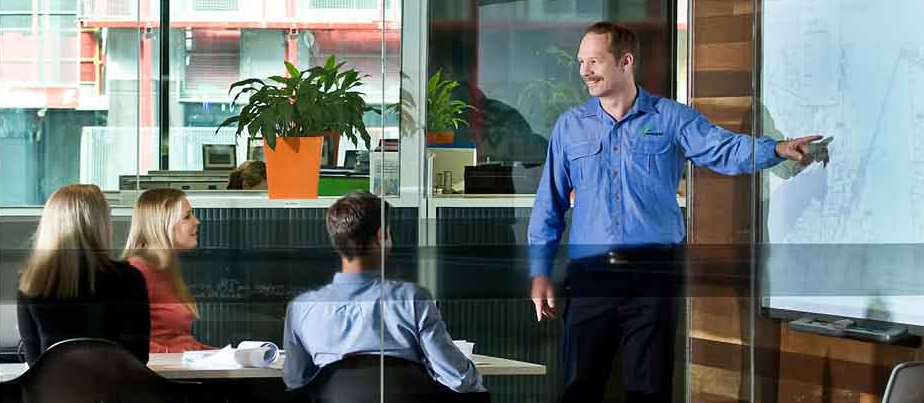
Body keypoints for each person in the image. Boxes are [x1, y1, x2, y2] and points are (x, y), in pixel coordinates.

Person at [527, 22, 821, 402]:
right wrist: (539, 272)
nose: (584, 71)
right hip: (590, 279)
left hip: (653, 278)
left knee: (650, 390)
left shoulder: (671, 119)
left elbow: (722, 149)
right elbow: (548, 205)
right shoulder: (570, 127)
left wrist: (776, 150)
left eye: (594, 61)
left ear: (625, 62)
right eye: (582, 62)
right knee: (579, 389)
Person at [282, 191, 484, 395]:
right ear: (381, 236)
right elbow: (459, 379)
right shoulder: (411, 299)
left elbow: (296, 379)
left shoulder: (300, 308)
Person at [15, 184, 150, 363]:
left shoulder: (31, 283)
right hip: (113, 389)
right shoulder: (127, 278)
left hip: (54, 390)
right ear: (98, 225)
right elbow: (138, 357)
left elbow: (34, 360)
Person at [121, 189, 214, 353]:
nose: (197, 221)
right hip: (158, 374)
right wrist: (174, 353)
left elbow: (181, 342)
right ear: (163, 224)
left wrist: (222, 354)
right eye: (187, 217)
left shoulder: (167, 268)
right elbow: (126, 341)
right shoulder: (137, 271)